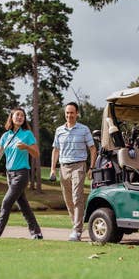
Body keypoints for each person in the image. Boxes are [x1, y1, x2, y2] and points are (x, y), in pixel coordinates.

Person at [0, 107, 43, 239]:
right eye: (17, 115)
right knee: (23, 205)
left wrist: (26, 147)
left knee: (6, 202)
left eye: (22, 116)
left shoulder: (27, 134)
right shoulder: (5, 136)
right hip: (9, 175)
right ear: (11, 117)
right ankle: (37, 233)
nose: (20, 117)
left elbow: (36, 154)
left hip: (22, 174)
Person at [50, 102, 97, 241]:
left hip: (79, 166)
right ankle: (76, 226)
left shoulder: (84, 129)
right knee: (68, 200)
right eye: (67, 113)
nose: (69, 115)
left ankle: (77, 231)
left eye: (72, 113)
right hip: (63, 167)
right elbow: (56, 150)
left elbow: (93, 149)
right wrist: (53, 168)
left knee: (77, 198)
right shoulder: (59, 130)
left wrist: (92, 167)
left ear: (77, 114)